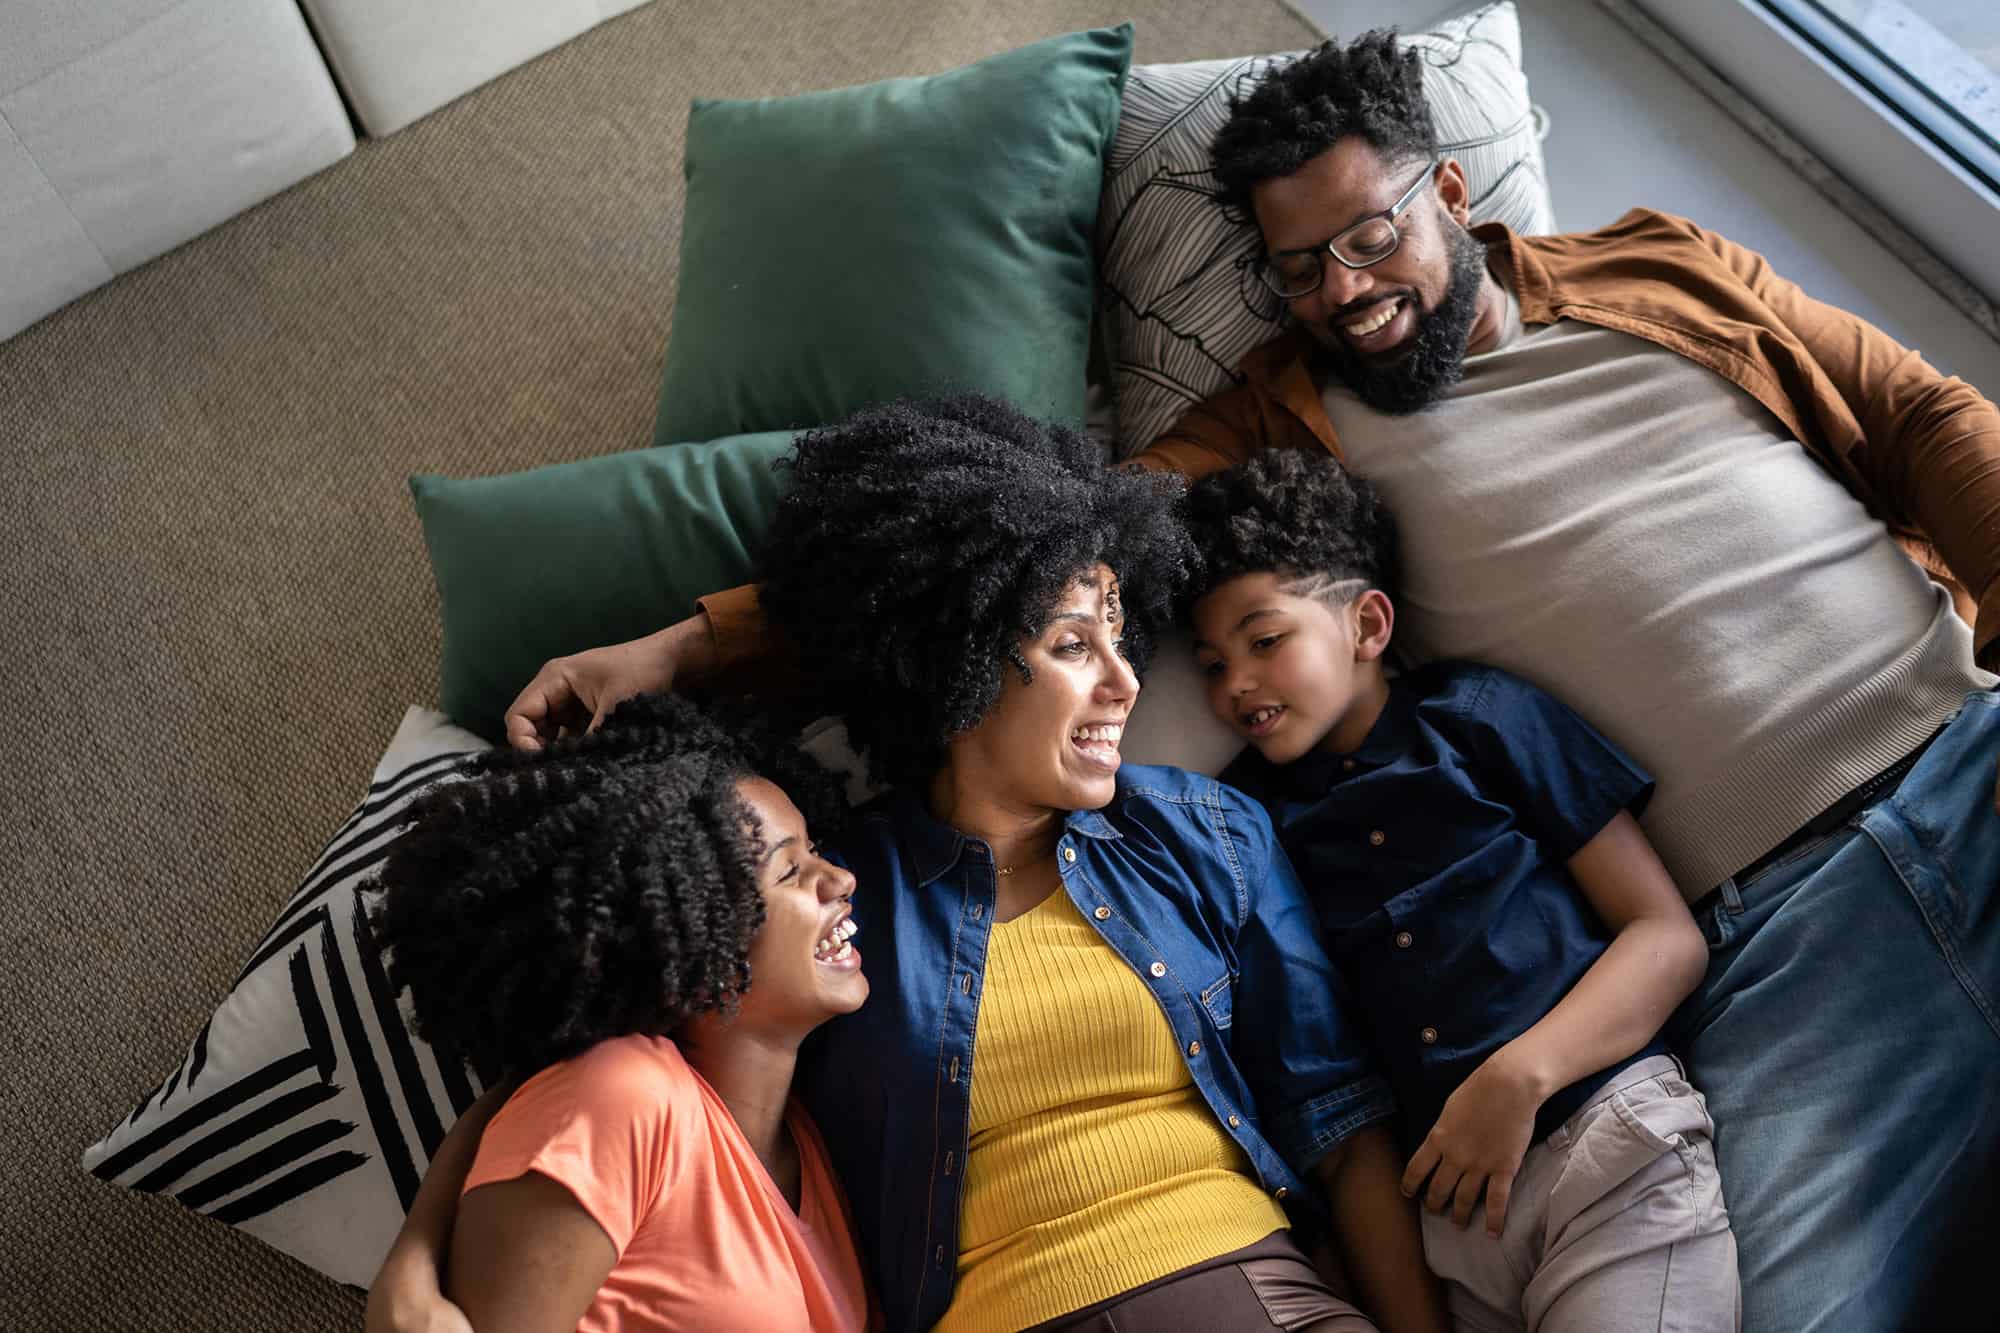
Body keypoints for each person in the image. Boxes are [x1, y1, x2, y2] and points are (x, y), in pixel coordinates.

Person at [505, 31, 2000, 1332]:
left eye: (1369, 239)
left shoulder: (1659, 264)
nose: (1343, 293)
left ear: (1453, 197)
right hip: (1773, 947)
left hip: (1966, 747)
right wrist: (685, 645)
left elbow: (1922, 417)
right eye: (1299, 269)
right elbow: (990, 553)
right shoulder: (1278, 437)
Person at [381, 395, 1451, 1333]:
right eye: (1075, 644)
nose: (1125, 681)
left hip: (1245, 1293)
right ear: (958, 660)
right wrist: (418, 1251)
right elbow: (587, 1059)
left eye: (1122, 637)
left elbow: (1339, 1125)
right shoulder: (828, 902)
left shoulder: (1207, 833)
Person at [1184, 448, 1738, 1331]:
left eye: (1264, 640)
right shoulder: (1246, 820)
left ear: (1367, 626)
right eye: (1211, 664)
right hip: (1450, 1229)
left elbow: (1666, 938)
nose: (1235, 684)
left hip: (1607, 1149)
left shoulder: (1481, 718)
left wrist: (1519, 1076)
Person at [362, 693, 875, 1333]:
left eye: (817, 849)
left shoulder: (811, 1147)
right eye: (790, 869)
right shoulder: (626, 1097)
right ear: (690, 935)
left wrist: (411, 1253)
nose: (840, 879)